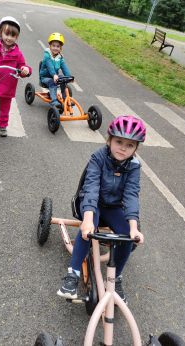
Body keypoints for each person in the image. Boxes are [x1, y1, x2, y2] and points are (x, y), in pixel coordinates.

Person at [57, 115, 146, 303]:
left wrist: (133, 227)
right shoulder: (98, 157)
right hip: (91, 204)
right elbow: (91, 189)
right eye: (119, 141)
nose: (123, 148)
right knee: (87, 232)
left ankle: (116, 278)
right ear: (109, 140)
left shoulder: (134, 166)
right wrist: (88, 220)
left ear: (136, 148)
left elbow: (131, 195)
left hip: (113, 207)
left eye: (130, 145)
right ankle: (72, 274)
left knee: (128, 237)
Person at [39, 32, 71, 107]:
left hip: (55, 77)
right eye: (53, 46)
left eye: (58, 46)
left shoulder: (60, 57)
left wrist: (68, 76)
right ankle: (54, 101)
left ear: (60, 48)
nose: (55, 48)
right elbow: (50, 66)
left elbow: (64, 67)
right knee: (52, 83)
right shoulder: (47, 56)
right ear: (50, 46)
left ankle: (65, 98)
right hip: (45, 77)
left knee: (63, 80)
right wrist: (54, 75)